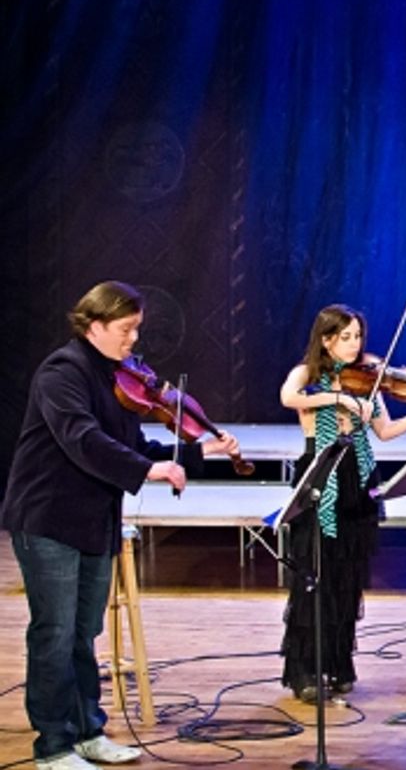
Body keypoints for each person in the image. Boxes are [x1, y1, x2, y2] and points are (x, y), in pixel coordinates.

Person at [2, 281, 240, 770]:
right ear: (95, 326)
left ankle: (88, 731)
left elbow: (133, 445)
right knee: (55, 632)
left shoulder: (119, 378)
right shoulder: (61, 372)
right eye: (126, 329)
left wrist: (196, 452)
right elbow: (82, 440)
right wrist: (148, 471)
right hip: (48, 518)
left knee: (84, 632)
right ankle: (52, 746)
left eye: (137, 329)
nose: (134, 340)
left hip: (93, 518)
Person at [277, 304, 406, 702]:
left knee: (347, 578)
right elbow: (289, 398)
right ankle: (305, 672)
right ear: (326, 339)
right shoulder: (307, 376)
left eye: (358, 337)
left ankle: (337, 665)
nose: (355, 346)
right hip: (321, 471)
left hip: (357, 474)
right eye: (346, 337)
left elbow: (384, 432)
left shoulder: (367, 379)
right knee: (314, 575)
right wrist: (340, 399)